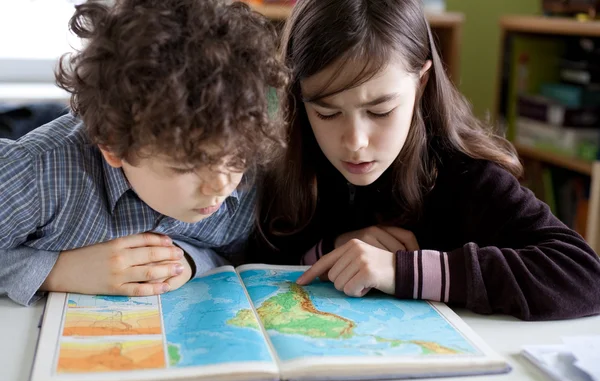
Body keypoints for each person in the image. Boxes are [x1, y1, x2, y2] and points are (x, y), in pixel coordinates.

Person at [256, 0, 600, 321]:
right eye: (327, 113)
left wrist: (404, 271)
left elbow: (583, 275)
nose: (356, 142)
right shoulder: (292, 164)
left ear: (421, 83)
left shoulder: (463, 172)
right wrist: (332, 251)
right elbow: (257, 261)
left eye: (380, 110)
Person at [0, 0, 288, 306]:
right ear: (114, 146)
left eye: (237, 157)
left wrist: (191, 262)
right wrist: (54, 271)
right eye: (190, 165)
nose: (221, 186)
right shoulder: (36, 175)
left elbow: (242, 255)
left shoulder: (244, 186)